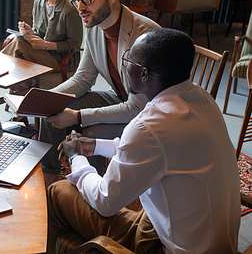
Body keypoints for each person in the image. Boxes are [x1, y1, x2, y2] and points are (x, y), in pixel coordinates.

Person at [47, 28, 241, 254]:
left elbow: (104, 202)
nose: (125, 64)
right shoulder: (202, 99)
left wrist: (76, 157)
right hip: (210, 240)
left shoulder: (148, 126)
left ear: (145, 74)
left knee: (58, 191)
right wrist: (96, 145)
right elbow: (156, 150)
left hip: (170, 248)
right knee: (133, 192)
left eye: (129, 59)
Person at [39, 0, 160, 184]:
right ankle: (49, 182)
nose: (80, 7)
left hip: (150, 115)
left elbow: (137, 107)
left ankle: (93, 196)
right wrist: (45, 99)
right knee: (53, 112)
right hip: (122, 99)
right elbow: (83, 79)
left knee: (90, 135)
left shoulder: (144, 35)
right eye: (77, 0)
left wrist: (77, 117)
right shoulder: (95, 27)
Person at [1, 0, 83, 73]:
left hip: (60, 61)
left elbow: (74, 45)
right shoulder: (38, 1)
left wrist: (46, 45)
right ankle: (9, 89)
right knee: (18, 43)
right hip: (42, 54)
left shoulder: (69, 10)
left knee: (18, 43)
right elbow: (38, 34)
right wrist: (30, 33)